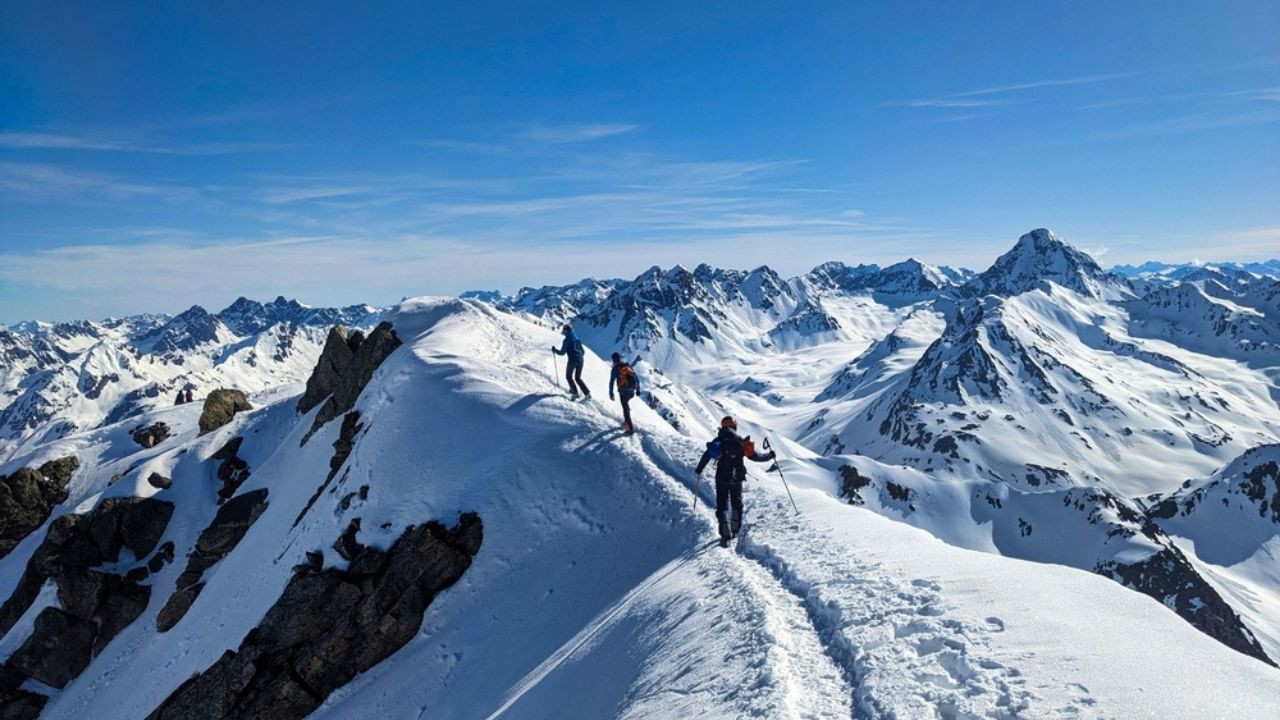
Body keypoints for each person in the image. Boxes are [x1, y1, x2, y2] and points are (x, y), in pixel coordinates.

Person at [694, 416, 776, 547]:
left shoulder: (719, 440)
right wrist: (770, 456)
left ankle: (725, 534)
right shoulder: (740, 441)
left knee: (722, 504)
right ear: (734, 426)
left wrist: (699, 469)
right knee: (736, 503)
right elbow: (755, 456)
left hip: (721, 477)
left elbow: (707, 455)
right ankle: (735, 529)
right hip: (737, 477)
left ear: (723, 426)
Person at [551, 324, 590, 400]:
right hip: (581, 360)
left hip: (572, 360)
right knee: (578, 378)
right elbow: (583, 351)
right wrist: (579, 356)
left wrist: (555, 350)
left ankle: (575, 393)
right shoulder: (577, 339)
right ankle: (587, 393)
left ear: (566, 331)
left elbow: (562, 353)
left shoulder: (566, 340)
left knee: (568, 377)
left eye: (564, 330)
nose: (563, 332)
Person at [608, 353, 640, 434]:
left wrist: (611, 393)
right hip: (632, 390)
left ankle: (630, 428)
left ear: (613, 360)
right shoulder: (627, 365)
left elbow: (611, 382)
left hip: (623, 391)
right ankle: (626, 421)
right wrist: (638, 390)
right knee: (626, 406)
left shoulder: (615, 370)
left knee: (625, 408)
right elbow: (636, 378)